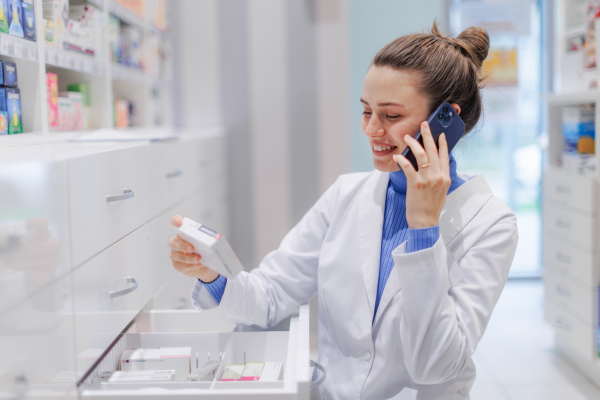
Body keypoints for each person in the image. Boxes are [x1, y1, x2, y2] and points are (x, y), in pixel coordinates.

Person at [169, 22, 518, 400]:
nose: (371, 130)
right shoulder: (346, 195)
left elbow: (435, 365)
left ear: (445, 120)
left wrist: (423, 228)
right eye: (366, 111)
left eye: (391, 116)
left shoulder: (491, 224)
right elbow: (271, 297)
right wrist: (211, 274)